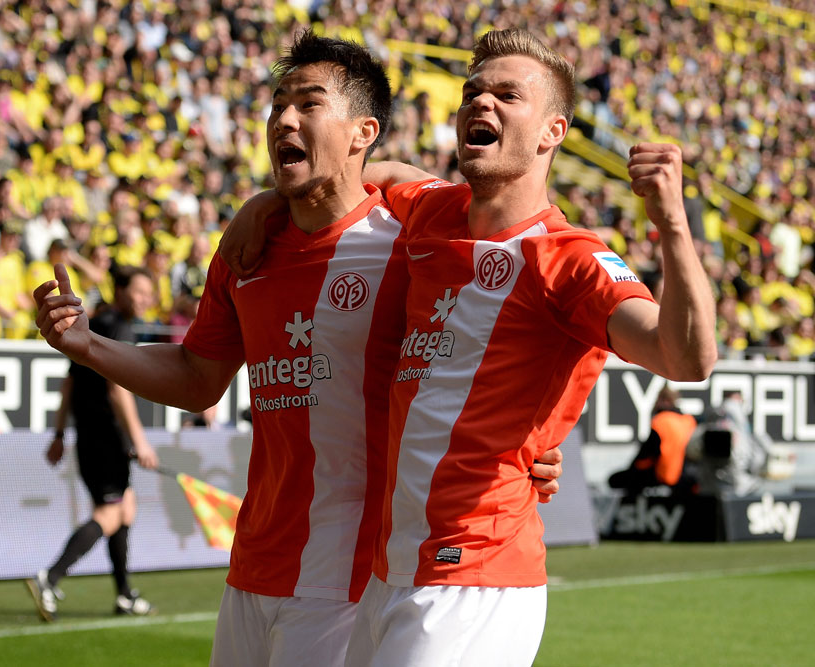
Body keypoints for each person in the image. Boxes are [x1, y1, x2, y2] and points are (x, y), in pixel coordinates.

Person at [34, 31, 561, 666]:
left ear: (363, 132)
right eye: (278, 104)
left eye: (309, 104)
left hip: (355, 580)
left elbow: (511, 318)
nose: (284, 118)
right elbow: (198, 377)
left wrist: (533, 443)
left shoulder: (412, 240)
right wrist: (88, 346)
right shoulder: (247, 251)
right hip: (254, 564)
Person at [223, 27, 715, 667]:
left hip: (478, 576)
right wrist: (264, 204)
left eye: (509, 95)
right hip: (391, 570)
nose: (481, 102)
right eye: (472, 92)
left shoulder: (569, 259)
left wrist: (673, 226)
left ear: (553, 132)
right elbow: (367, 173)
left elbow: (686, 359)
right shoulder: (433, 212)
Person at [26, 265, 160, 622]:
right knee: (111, 513)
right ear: (120, 290)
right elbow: (118, 389)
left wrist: (59, 434)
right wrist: (140, 441)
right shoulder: (119, 327)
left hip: (91, 436)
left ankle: (124, 595)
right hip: (105, 439)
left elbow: (69, 383)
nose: (145, 299)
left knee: (125, 508)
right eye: (139, 291)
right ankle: (50, 578)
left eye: (149, 293)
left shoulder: (95, 323)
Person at [608, 387, 698, 495]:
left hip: (664, 476)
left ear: (665, 401)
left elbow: (646, 455)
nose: (655, 403)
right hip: (686, 478)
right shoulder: (689, 421)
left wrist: (633, 468)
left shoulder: (661, 421)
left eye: (657, 400)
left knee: (615, 479)